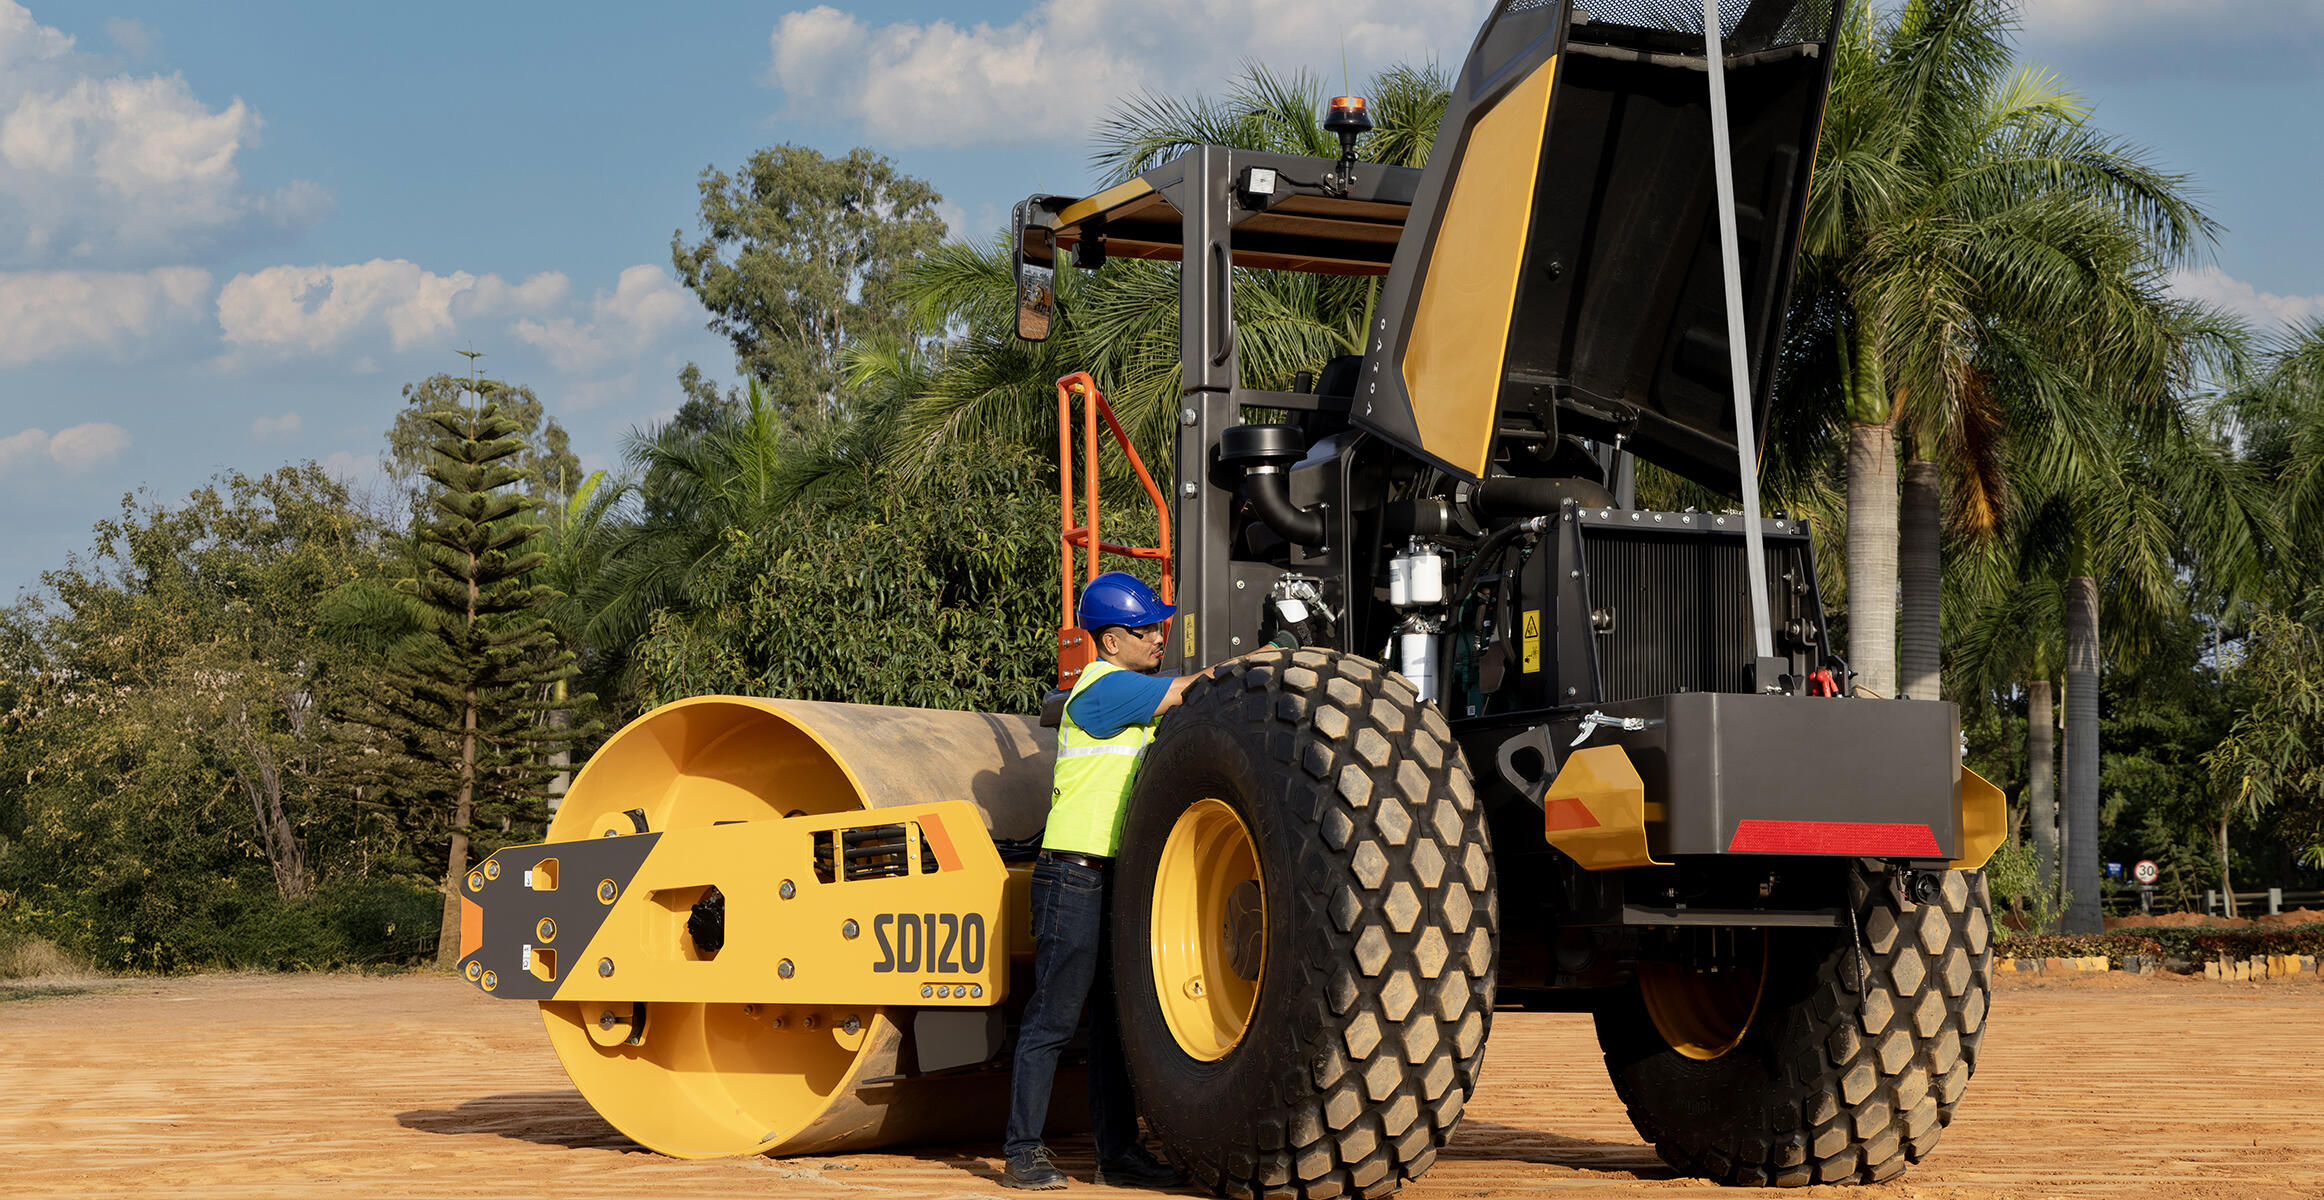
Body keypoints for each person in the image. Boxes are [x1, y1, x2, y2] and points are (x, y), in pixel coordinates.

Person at [1000, 571, 1196, 1191]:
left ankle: (1118, 1154)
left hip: (1112, 879)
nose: (1160, 637)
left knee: (1113, 1023)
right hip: (1072, 878)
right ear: (1110, 642)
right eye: (1147, 630)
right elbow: (1191, 692)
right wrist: (1252, 665)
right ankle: (1021, 1151)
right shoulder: (1101, 691)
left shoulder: (1129, 694)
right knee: (1054, 1019)